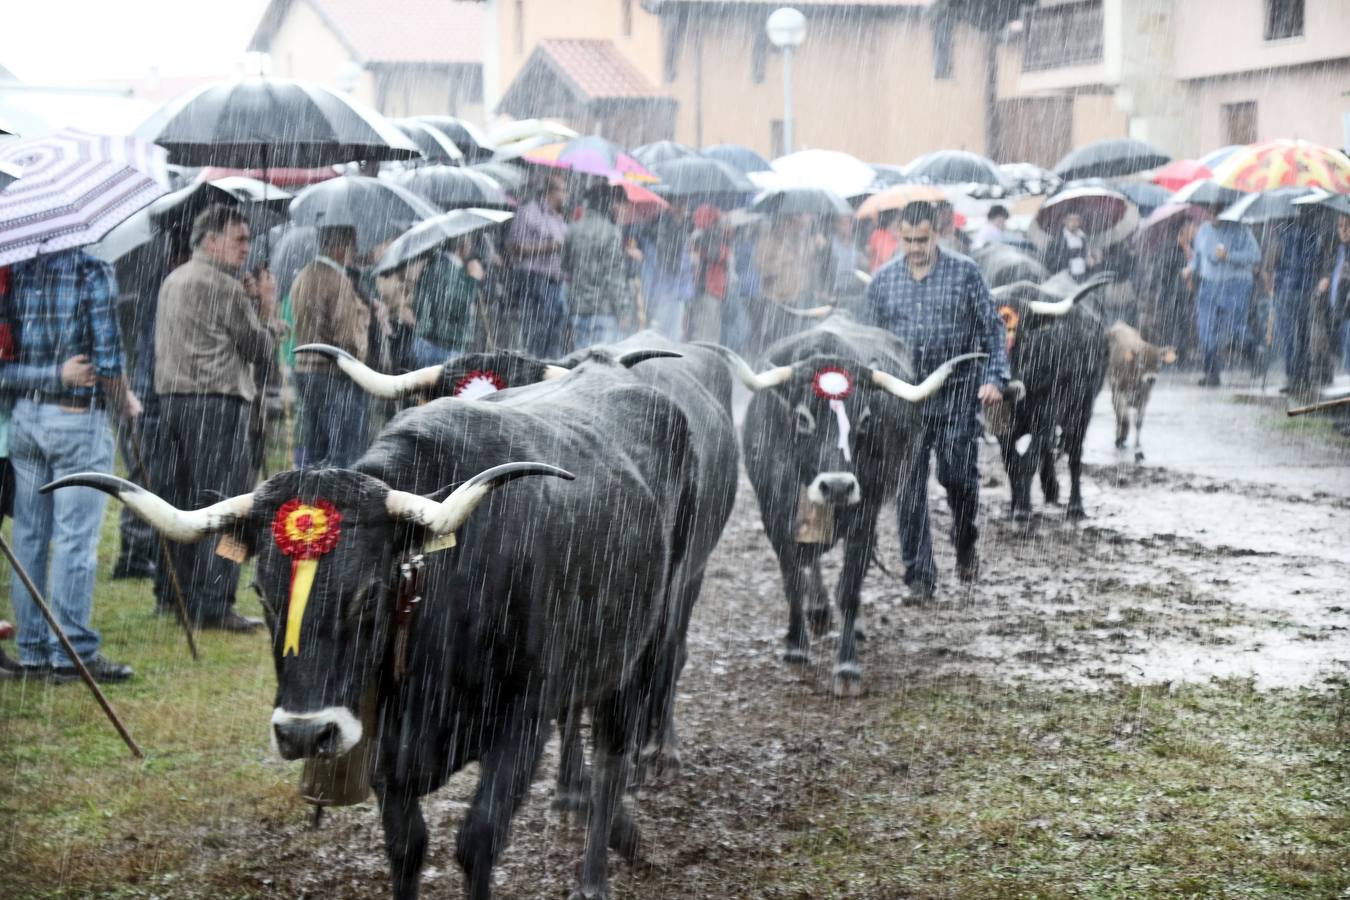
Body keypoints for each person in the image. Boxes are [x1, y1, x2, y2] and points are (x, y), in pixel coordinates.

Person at [7, 247, 141, 681]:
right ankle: (71, 652)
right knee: (74, 541)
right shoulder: (93, 270)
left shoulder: (17, 270)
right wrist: (124, 402)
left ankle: (32, 649)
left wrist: (46, 374)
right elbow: (108, 357)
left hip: (26, 418)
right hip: (75, 418)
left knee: (30, 536)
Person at [865, 201, 1010, 600]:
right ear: (898, 235)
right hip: (904, 404)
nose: (915, 247)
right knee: (909, 490)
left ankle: (965, 538)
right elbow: (870, 344)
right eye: (908, 240)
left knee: (958, 478)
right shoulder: (882, 283)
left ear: (938, 233)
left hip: (958, 395)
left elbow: (993, 329)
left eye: (922, 239)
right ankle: (920, 576)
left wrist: (995, 377)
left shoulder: (965, 273)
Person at [154, 205, 283, 632]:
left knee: (181, 502)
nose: (247, 248)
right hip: (217, 404)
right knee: (229, 507)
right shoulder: (222, 287)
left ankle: (173, 593)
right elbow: (260, 350)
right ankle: (215, 600)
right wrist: (265, 308)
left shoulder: (175, 279)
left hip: (173, 401)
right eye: (239, 239)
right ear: (211, 240)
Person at [291, 226, 372, 466]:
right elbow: (347, 337)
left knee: (315, 452)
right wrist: (363, 327)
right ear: (339, 248)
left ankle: (312, 501)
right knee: (342, 456)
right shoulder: (337, 281)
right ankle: (340, 503)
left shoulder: (304, 275)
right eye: (351, 246)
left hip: (306, 370)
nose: (354, 253)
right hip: (335, 375)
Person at [1186, 208, 1261, 387]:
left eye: (1217, 211)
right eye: (1209, 211)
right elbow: (1197, 258)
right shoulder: (1203, 231)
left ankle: (1255, 354)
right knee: (1206, 330)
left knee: (1236, 328)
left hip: (1235, 284)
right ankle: (1211, 373)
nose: (1212, 216)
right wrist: (1190, 268)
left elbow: (1255, 256)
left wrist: (1229, 256)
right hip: (1208, 285)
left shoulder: (1240, 230)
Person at [507, 172, 569, 356]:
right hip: (535, 280)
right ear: (551, 192)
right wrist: (547, 247)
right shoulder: (529, 212)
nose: (566, 195)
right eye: (564, 191)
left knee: (554, 335)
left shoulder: (559, 219)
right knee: (537, 334)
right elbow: (513, 246)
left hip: (557, 282)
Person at [563, 185, 634, 347]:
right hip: (604, 312)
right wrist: (623, 311)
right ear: (608, 204)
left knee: (581, 365)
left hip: (578, 310)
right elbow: (614, 277)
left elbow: (565, 267)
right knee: (602, 368)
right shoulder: (611, 233)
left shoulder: (573, 229)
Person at [411, 235, 484, 365]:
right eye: (470, 241)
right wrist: (473, 281)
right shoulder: (449, 270)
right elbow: (456, 306)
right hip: (446, 347)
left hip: (429, 342)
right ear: (464, 245)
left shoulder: (435, 265)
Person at [639, 206, 695, 341]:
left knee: (657, 339)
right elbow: (681, 268)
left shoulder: (651, 232)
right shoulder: (675, 233)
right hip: (672, 295)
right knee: (669, 340)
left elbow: (651, 269)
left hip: (660, 295)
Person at [1311, 213, 1350, 384]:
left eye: (1347, 226)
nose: (1343, 231)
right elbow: (1328, 270)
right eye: (1340, 226)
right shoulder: (1336, 248)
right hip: (1337, 306)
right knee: (1340, 344)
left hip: (1346, 306)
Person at [1044, 212, 1096, 281]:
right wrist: (1070, 258)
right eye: (1071, 220)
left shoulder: (1083, 237)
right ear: (1064, 221)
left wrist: (1090, 258)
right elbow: (1050, 262)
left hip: (1083, 278)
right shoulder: (1057, 240)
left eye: (1077, 220)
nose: (1074, 223)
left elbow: (1087, 254)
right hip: (1065, 279)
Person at [867, 209, 901, 274]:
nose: (898, 230)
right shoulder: (879, 235)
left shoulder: (897, 238)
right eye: (896, 226)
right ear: (889, 225)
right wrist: (899, 247)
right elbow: (886, 259)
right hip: (880, 274)